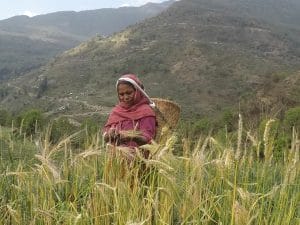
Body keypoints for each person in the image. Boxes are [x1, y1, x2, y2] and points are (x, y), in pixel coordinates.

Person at [103, 74, 156, 158]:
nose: (125, 97)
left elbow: (148, 138)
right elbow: (105, 135)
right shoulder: (116, 111)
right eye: (121, 94)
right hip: (115, 159)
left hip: (138, 160)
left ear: (137, 91)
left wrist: (131, 136)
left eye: (129, 93)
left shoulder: (146, 112)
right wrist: (109, 134)